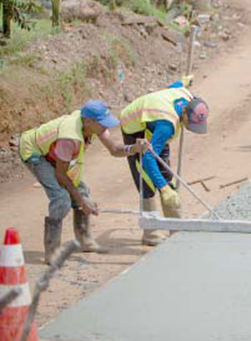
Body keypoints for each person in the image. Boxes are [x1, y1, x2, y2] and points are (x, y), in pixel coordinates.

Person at [19, 101, 149, 265]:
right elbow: (60, 174)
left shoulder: (93, 126)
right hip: (34, 152)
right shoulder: (70, 138)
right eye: (102, 123)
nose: (105, 127)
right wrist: (81, 202)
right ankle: (52, 252)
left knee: (83, 190)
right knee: (61, 199)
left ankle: (84, 240)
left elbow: (115, 149)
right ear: (88, 121)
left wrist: (134, 148)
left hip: (57, 154)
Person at [119, 78, 209, 245]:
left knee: (166, 173)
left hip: (154, 126)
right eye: (190, 124)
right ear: (184, 113)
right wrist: (164, 188)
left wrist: (184, 79)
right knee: (146, 180)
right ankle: (150, 233)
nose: (190, 129)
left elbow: (175, 85)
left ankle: (176, 228)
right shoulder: (167, 125)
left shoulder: (186, 95)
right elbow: (148, 158)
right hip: (135, 126)